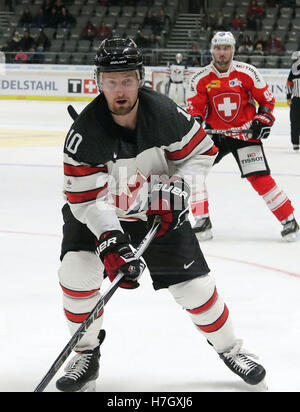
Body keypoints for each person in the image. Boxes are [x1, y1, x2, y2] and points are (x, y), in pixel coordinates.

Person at [55, 37, 267, 392]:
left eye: (126, 80)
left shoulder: (166, 114)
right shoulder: (84, 135)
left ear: (140, 77)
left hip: (158, 210)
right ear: (98, 81)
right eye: (111, 81)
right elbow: (85, 200)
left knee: (195, 289)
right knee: (76, 270)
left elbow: (202, 152)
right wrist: (110, 239)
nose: (119, 89)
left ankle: (232, 349)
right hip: (100, 214)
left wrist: (179, 187)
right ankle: (85, 353)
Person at [186, 31, 299, 242]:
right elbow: (195, 109)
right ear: (212, 50)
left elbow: (266, 101)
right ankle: (202, 220)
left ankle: (289, 220)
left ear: (233, 50)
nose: (222, 52)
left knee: (259, 178)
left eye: (226, 48)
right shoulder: (200, 78)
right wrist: (197, 121)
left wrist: (261, 121)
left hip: (245, 134)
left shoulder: (247, 72)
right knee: (194, 170)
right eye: (218, 48)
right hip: (215, 136)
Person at [287, 51, 300, 151]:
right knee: (294, 121)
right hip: (296, 100)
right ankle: (295, 142)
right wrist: (288, 97)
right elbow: (289, 84)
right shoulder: (293, 70)